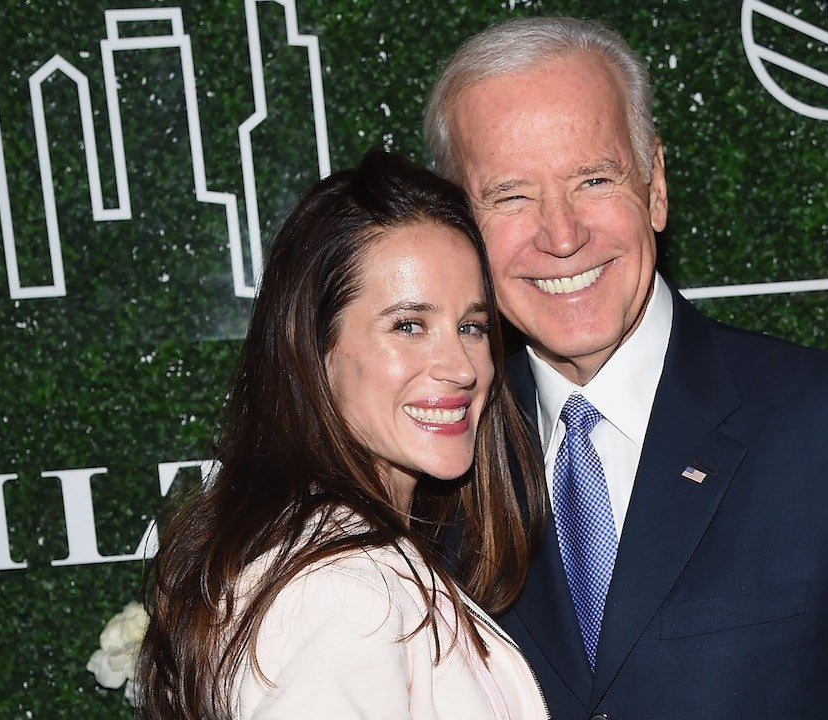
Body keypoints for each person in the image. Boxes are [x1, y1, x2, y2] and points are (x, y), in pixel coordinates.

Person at [423, 16, 828, 720]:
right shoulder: (436, 470)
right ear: (457, 225)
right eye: (511, 196)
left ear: (656, 185)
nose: (562, 235)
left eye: (594, 179)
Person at [135, 150, 549, 719]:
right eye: (409, 325)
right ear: (316, 349)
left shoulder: (325, 558)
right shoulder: (345, 596)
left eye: (471, 326)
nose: (462, 367)